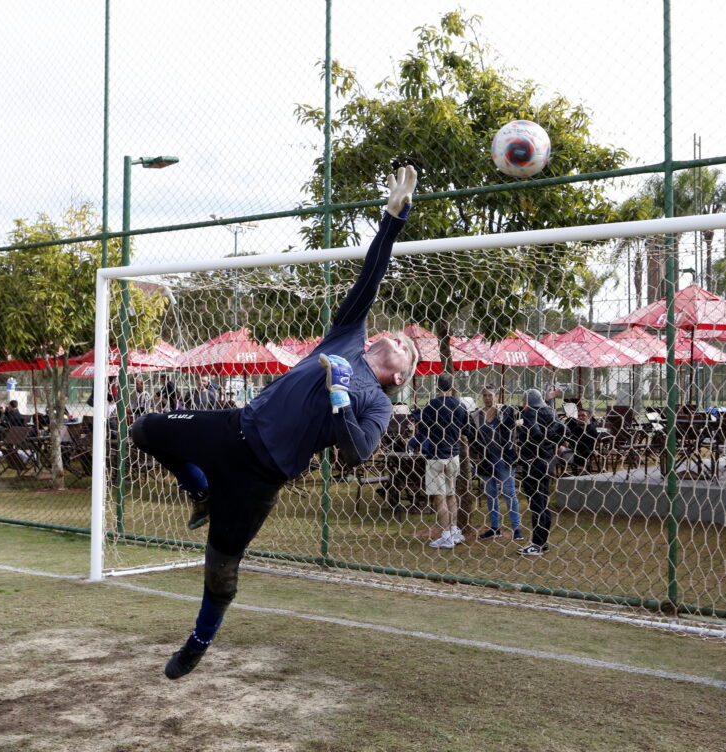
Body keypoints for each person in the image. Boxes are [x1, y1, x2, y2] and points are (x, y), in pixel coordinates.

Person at [130, 165, 419, 680]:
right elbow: (370, 276)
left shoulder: (377, 404)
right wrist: (390, 222)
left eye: (406, 347)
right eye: (396, 335)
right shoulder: (348, 337)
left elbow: (358, 455)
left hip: (262, 479)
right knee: (145, 429)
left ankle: (197, 645)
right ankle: (198, 490)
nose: (396, 337)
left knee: (221, 571)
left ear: (399, 376)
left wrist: (339, 400)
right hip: (233, 430)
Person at [418, 372, 469, 549]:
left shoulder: (431, 406)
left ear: (437, 387)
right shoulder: (459, 405)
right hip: (454, 456)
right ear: (452, 386)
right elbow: (468, 429)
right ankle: (454, 532)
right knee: (451, 495)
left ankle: (447, 535)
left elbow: (423, 429)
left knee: (440, 499)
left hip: (436, 457)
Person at [469, 385, 522, 540]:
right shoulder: (476, 416)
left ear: (497, 396)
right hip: (486, 460)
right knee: (491, 494)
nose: (487, 398)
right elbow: (472, 437)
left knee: (509, 492)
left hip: (504, 459)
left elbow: (527, 410)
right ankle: (495, 528)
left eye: (490, 395)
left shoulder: (506, 411)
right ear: (481, 396)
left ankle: (517, 528)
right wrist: (477, 453)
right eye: (485, 395)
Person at [516, 389, 563, 556]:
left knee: (536, 504)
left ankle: (536, 544)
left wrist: (535, 446)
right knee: (543, 503)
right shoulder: (549, 413)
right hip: (547, 463)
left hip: (534, 464)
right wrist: (548, 449)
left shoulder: (530, 414)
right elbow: (563, 431)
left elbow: (535, 434)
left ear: (526, 402)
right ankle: (543, 543)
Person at [555, 405, 600, 473]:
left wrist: (566, 444)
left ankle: (550, 471)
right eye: (579, 416)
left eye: (583, 416)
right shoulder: (577, 428)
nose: (580, 417)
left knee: (555, 448)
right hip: (572, 451)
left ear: (588, 417)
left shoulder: (591, 431)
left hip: (579, 457)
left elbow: (582, 447)